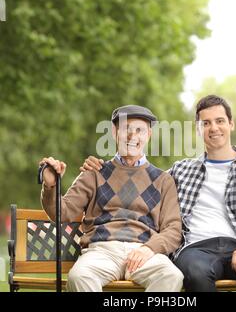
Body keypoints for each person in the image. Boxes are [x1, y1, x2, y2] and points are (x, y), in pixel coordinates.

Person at [82, 95, 236, 292]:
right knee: (195, 273)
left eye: (219, 121)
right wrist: (101, 167)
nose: (213, 128)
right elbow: (138, 177)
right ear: (198, 129)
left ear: (231, 124)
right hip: (196, 249)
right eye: (206, 123)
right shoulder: (181, 170)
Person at [39, 104, 183, 292]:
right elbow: (62, 212)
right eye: (126, 129)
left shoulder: (164, 180)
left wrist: (149, 248)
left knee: (172, 276)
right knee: (79, 277)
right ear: (114, 133)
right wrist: (50, 186)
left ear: (149, 135)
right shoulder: (94, 173)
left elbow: (173, 229)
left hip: (145, 251)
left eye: (139, 130)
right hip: (102, 251)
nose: (132, 136)